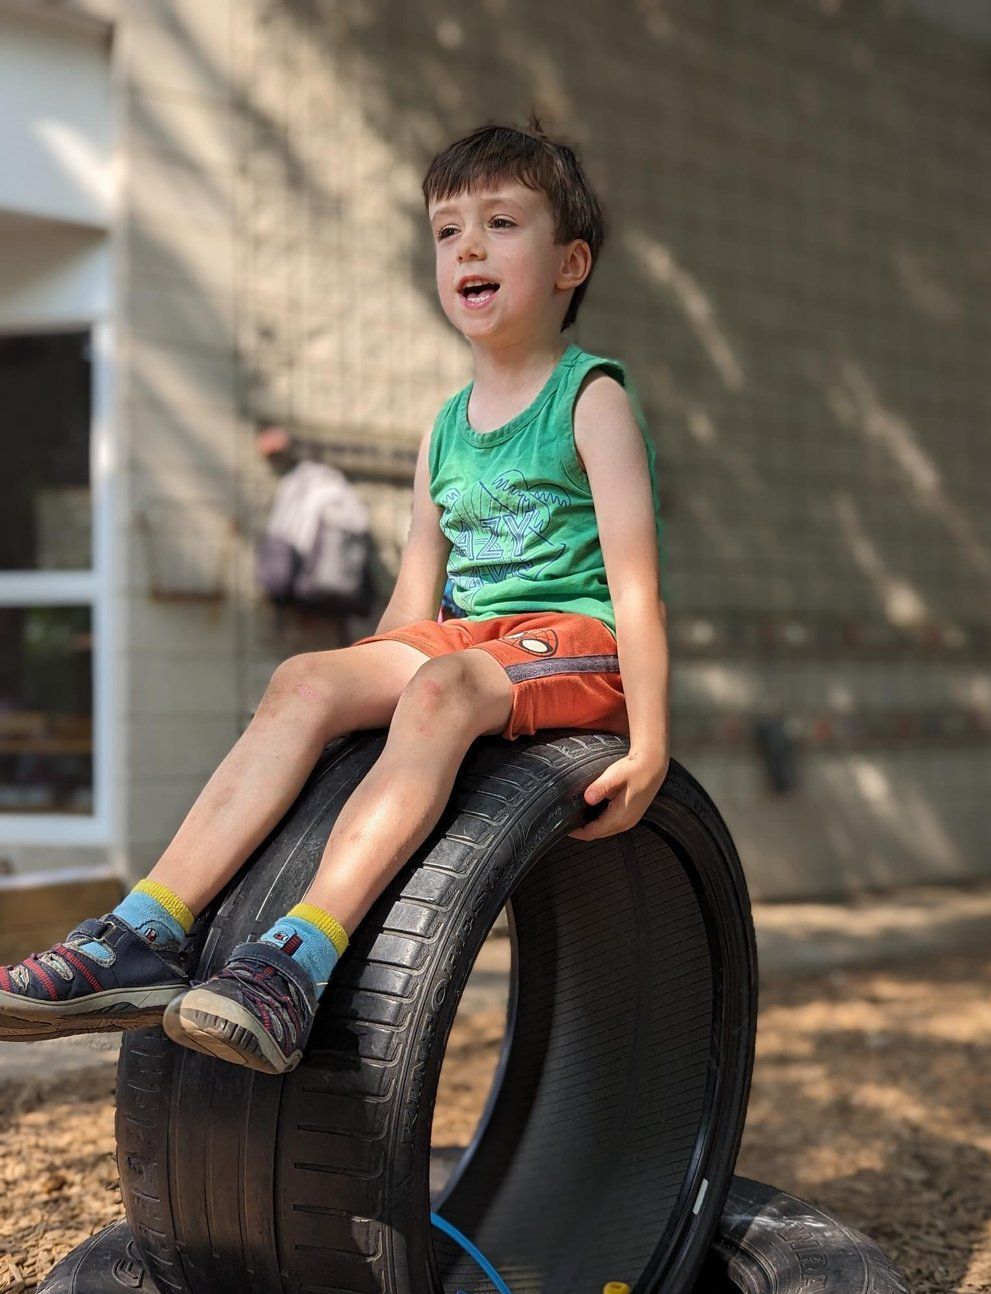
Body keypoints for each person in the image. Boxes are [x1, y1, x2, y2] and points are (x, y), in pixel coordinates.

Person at [0, 115, 670, 1076]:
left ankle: (297, 958)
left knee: (441, 691)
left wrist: (649, 747)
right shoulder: (446, 427)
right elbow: (413, 598)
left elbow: (638, 588)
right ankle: (142, 935)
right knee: (307, 679)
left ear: (570, 263)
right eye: (447, 231)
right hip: (469, 639)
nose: (468, 246)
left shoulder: (589, 399)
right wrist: (352, 693)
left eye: (500, 224)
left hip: (577, 638)